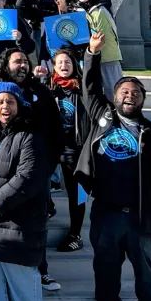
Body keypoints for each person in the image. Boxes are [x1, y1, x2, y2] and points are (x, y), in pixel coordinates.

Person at [77, 33, 151, 301]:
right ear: (114, 96)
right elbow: (89, 87)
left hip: (141, 216)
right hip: (106, 212)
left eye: (135, 93)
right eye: (124, 91)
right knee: (105, 266)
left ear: (143, 100)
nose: (129, 96)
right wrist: (92, 54)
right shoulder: (102, 116)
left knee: (146, 271)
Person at [0, 48, 64, 291]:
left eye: (25, 62)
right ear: (5, 65)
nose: (22, 65)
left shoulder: (41, 92)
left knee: (34, 224)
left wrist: (45, 169)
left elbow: (56, 133)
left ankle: (41, 271)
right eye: (16, 61)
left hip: (33, 173)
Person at [0, 81, 52, 301]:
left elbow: (27, 177)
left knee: (26, 298)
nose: (5, 106)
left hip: (17, 227)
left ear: (19, 105)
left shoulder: (29, 137)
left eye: (10, 101)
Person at [72, 0, 131, 100]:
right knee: (92, 99)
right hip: (86, 61)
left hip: (109, 59)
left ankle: (119, 123)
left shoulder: (106, 5)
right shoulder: (72, 13)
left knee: (116, 97)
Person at [50, 48, 90, 253]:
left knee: (76, 193)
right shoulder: (49, 87)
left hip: (75, 148)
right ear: (54, 67)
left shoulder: (82, 88)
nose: (64, 66)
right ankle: (48, 207)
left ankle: (76, 234)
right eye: (60, 63)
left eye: (68, 62)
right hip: (53, 146)